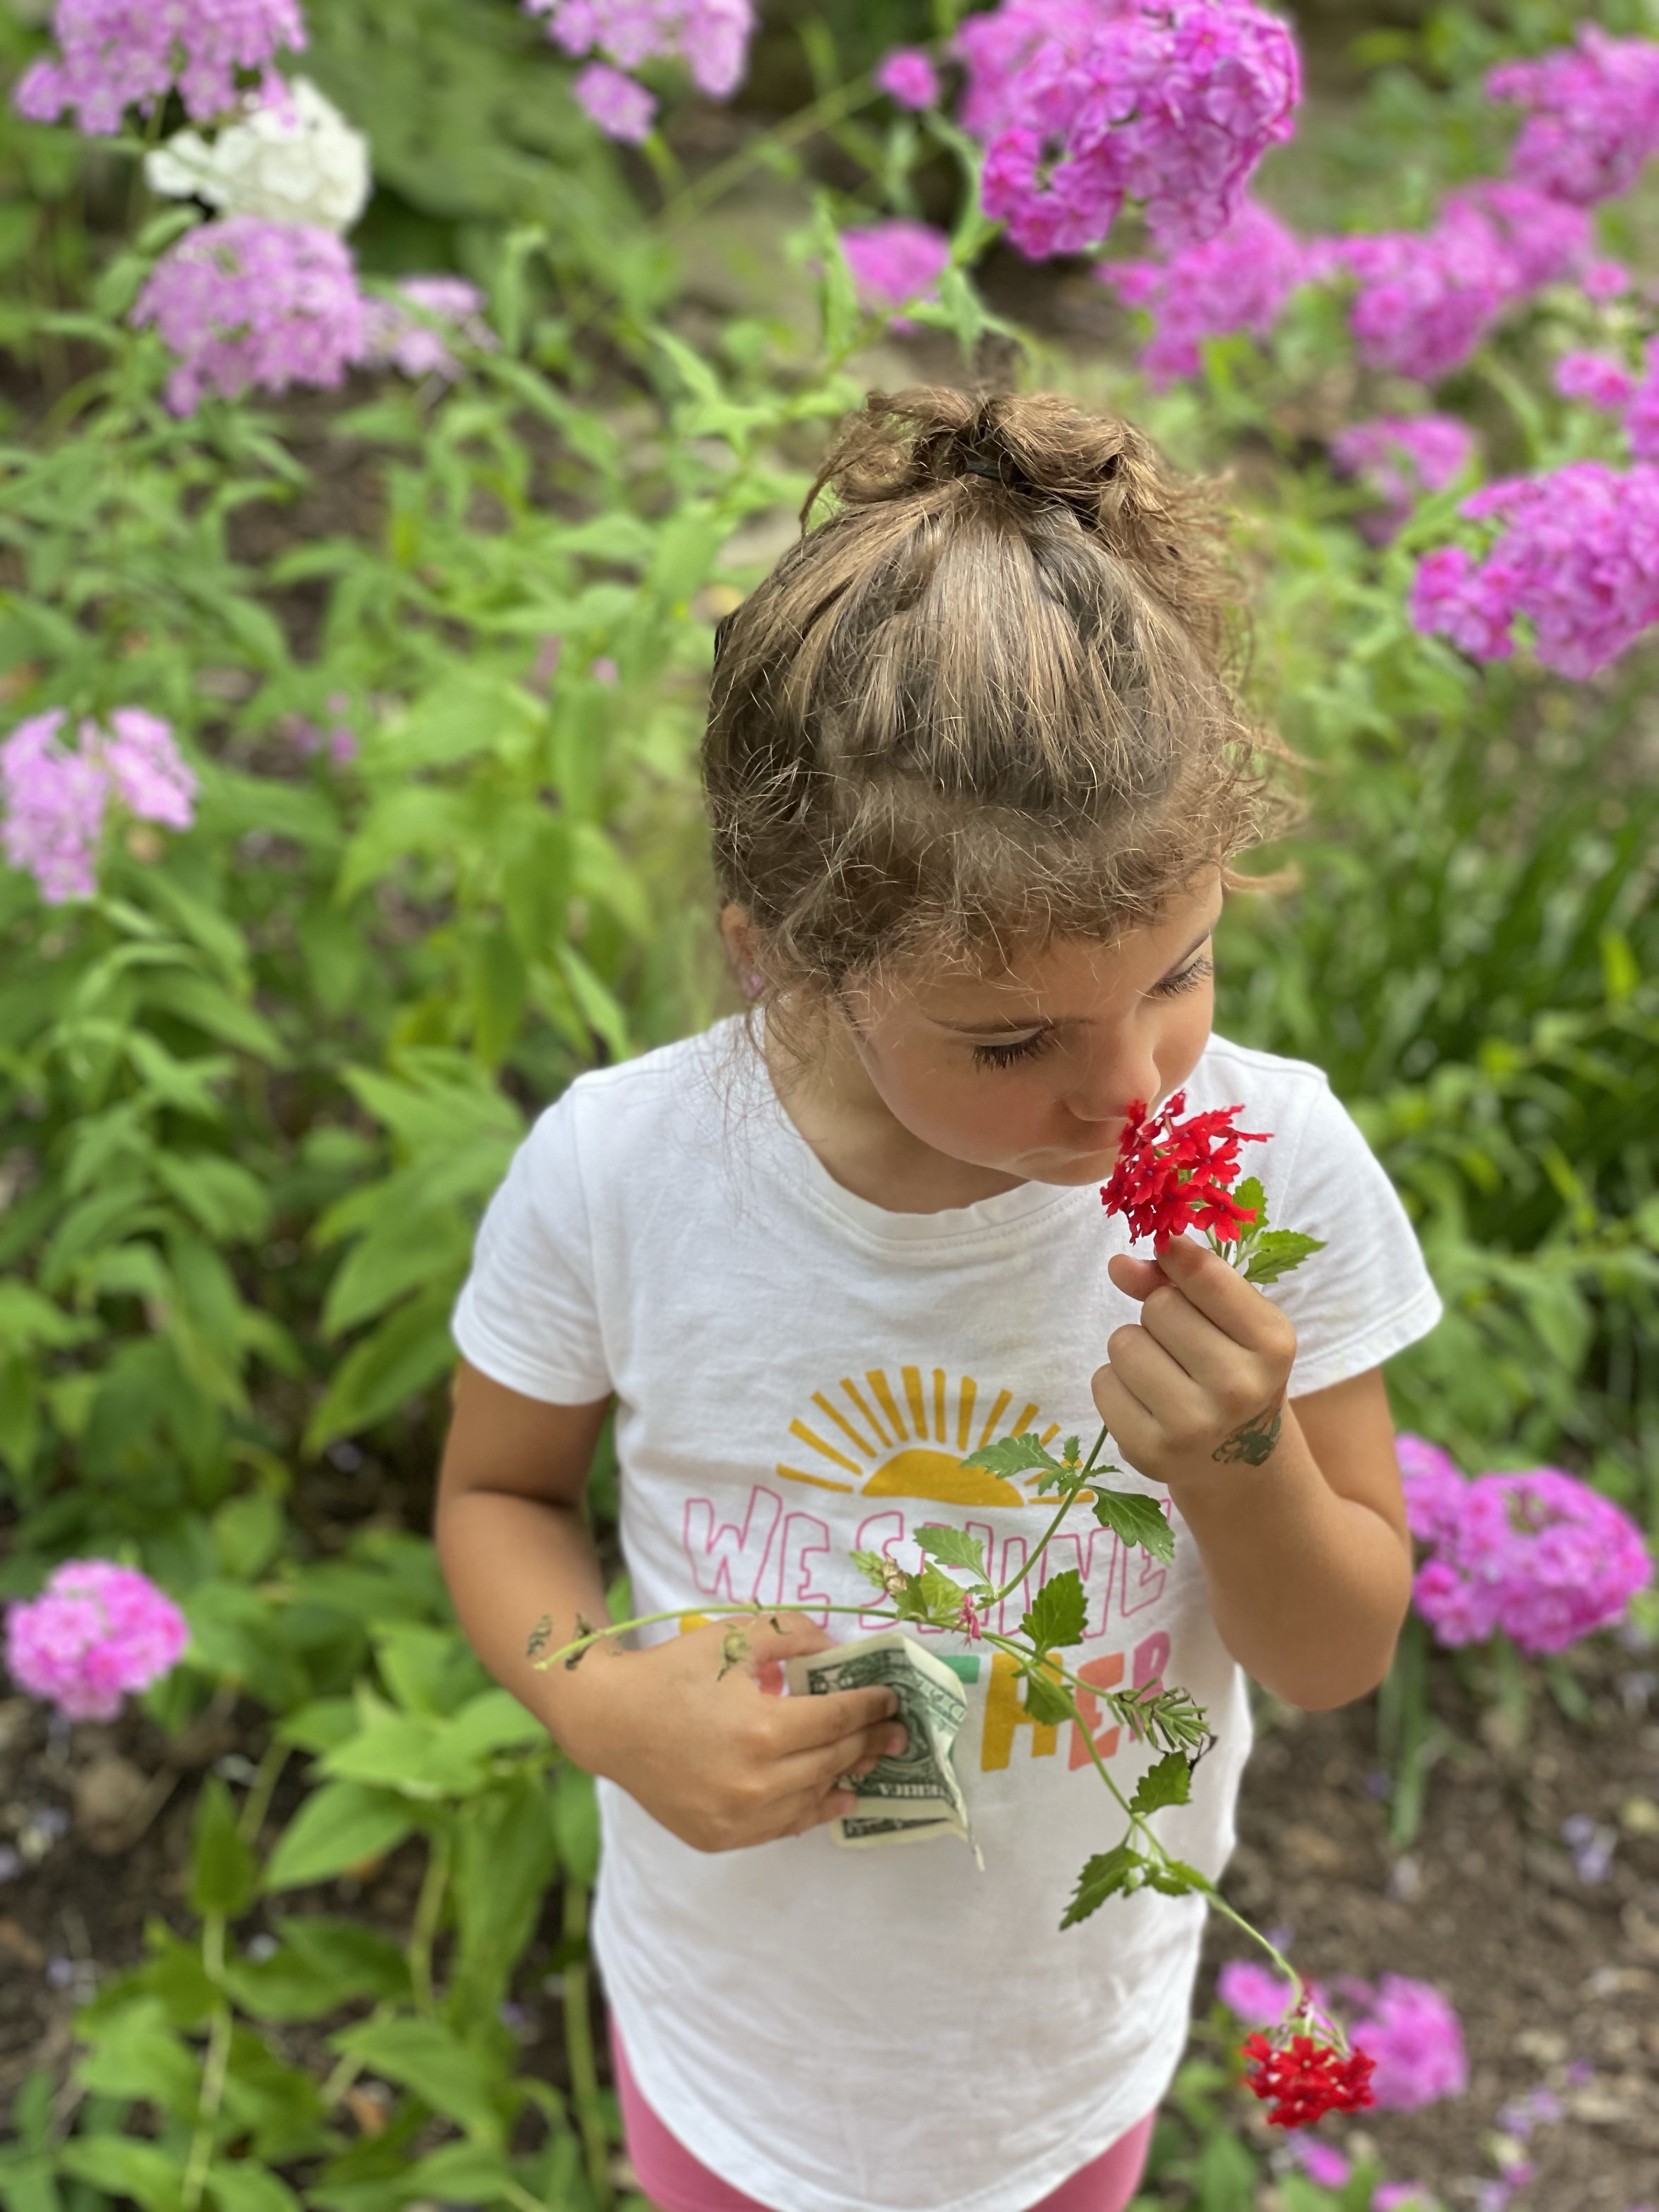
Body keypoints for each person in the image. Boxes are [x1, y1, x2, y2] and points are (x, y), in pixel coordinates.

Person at [436, 387, 1442, 2212]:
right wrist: (600, 1701)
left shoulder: (1274, 1165)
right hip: (734, 2043)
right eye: (1011, 1040)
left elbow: (1334, 1656)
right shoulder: (621, 1173)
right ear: (784, 962)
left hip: (1056, 2065)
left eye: (1183, 973)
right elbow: (499, 1495)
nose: (1132, 1093)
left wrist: (1241, 1466)